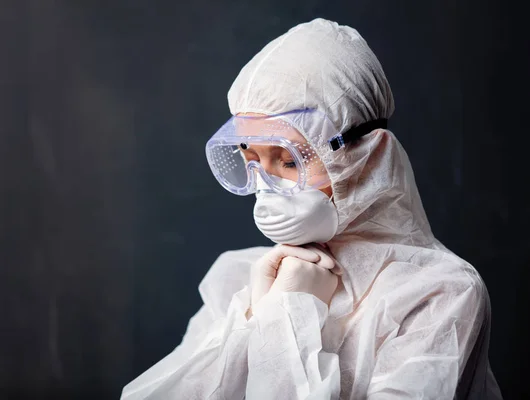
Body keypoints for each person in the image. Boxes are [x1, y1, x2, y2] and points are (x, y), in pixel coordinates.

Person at [121, 18, 503, 399]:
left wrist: (288, 316)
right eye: (250, 158)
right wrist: (256, 315)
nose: (267, 186)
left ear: (368, 156)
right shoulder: (238, 279)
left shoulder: (437, 293)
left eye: (289, 161)